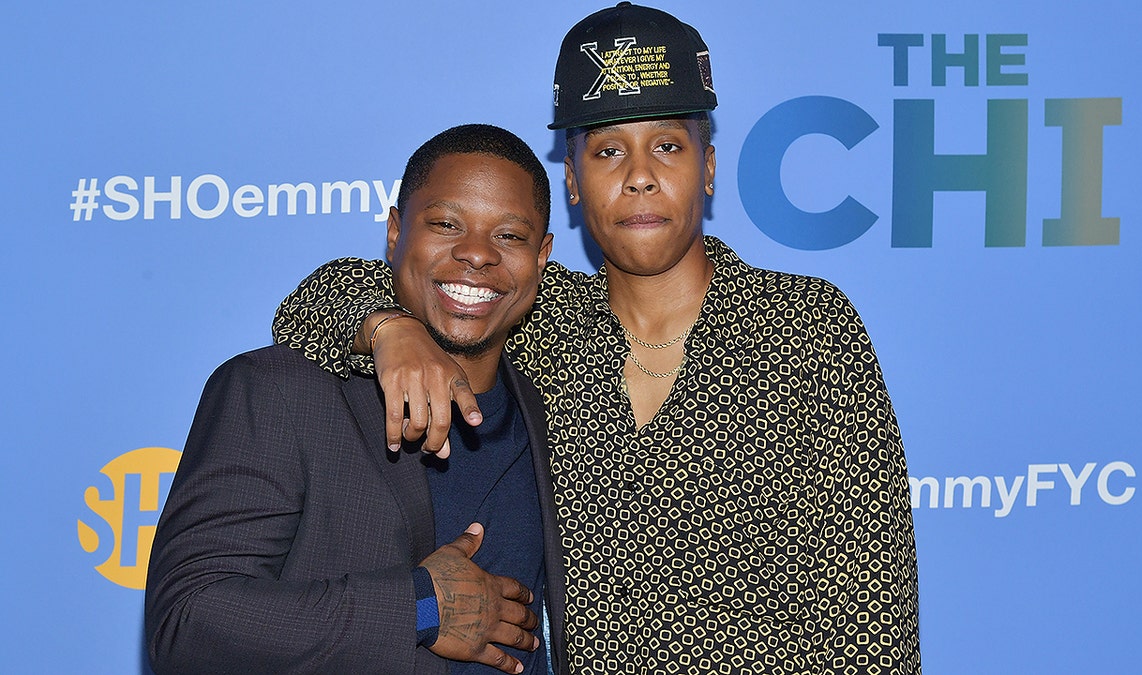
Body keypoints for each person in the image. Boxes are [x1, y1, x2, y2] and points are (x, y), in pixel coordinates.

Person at [273, 3, 920, 673]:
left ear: (709, 167)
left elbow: (873, 613)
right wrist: (389, 327)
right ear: (575, 183)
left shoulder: (805, 325)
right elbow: (318, 296)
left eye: (667, 146)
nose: (639, 174)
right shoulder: (540, 316)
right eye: (609, 150)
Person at [145, 124, 565, 675]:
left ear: (543, 256)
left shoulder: (566, 394)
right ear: (394, 233)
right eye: (445, 224)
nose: (475, 254)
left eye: (508, 235)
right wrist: (417, 606)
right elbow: (189, 620)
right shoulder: (280, 391)